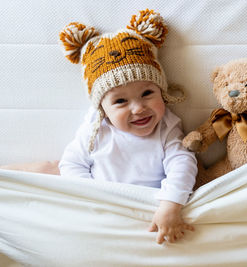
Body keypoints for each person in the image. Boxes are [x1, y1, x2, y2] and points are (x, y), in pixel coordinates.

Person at [58, 9, 197, 244]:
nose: (138, 108)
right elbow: (71, 164)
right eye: (121, 101)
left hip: (150, 207)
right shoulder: (96, 127)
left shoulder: (167, 126)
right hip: (103, 205)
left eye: (147, 93)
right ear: (103, 109)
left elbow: (182, 163)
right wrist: (92, 196)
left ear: (161, 91)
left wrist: (171, 204)